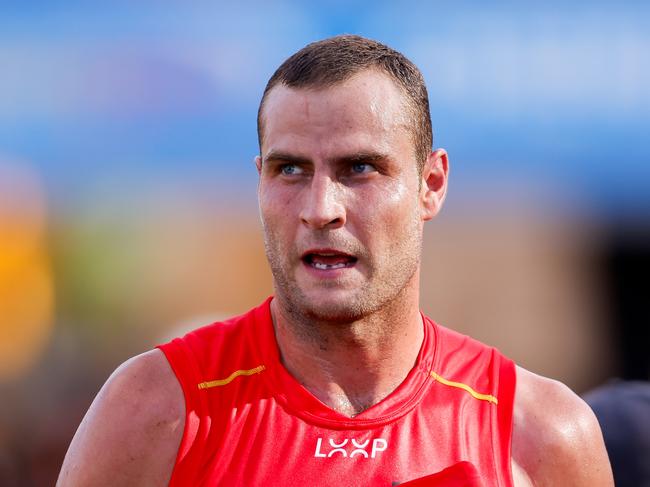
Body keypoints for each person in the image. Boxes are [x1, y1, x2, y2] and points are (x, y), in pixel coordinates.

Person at [57, 35, 613, 486]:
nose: (321, 210)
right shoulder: (152, 410)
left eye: (360, 169)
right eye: (290, 170)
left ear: (432, 184)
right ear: (259, 182)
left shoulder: (542, 434)